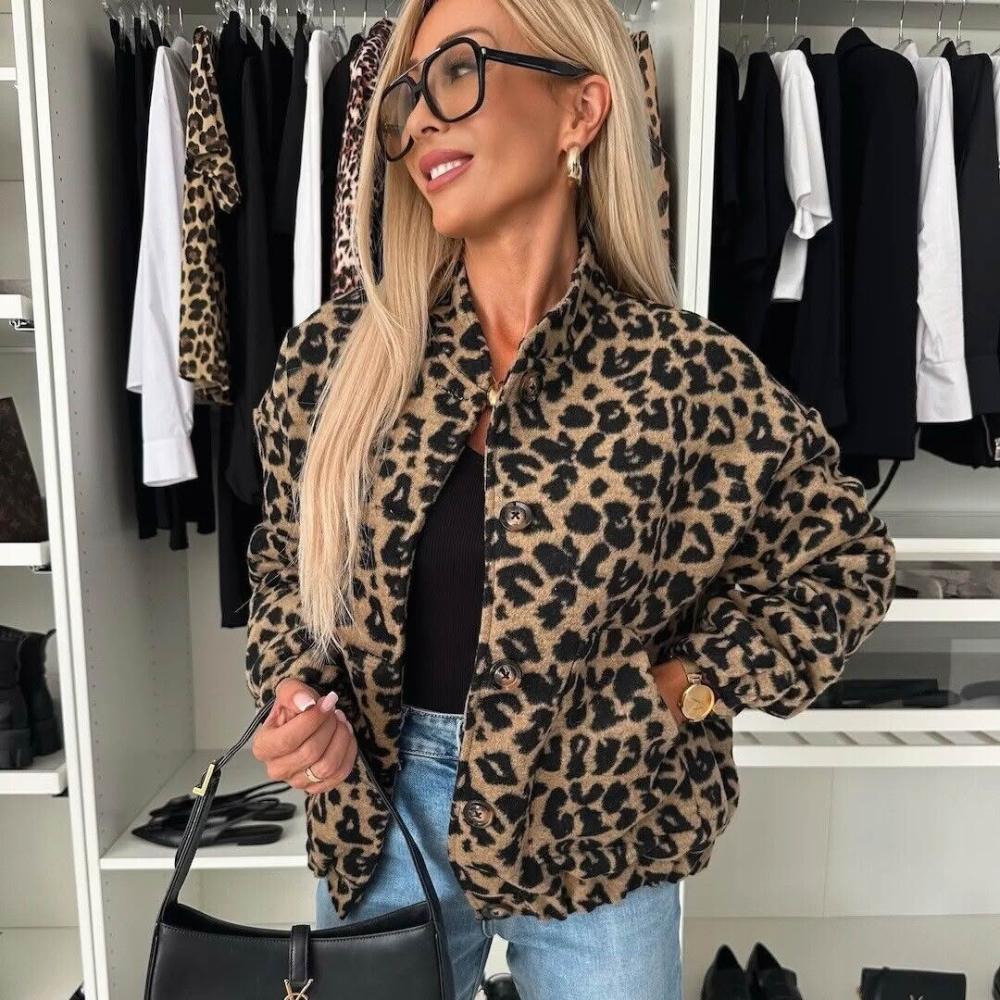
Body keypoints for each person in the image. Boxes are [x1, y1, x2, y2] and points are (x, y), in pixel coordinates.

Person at [245, 1, 897, 997]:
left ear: (580, 109)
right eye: (407, 96)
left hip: (605, 827)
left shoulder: (684, 377)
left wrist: (686, 686)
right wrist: (295, 695)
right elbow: (284, 568)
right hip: (382, 816)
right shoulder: (338, 360)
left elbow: (844, 562)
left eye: (457, 71)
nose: (421, 118)